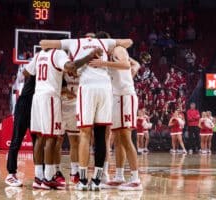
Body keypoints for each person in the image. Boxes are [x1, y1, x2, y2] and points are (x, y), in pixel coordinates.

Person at [40, 34, 133, 191]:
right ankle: (97, 180)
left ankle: (82, 180)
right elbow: (129, 41)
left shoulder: (74, 42)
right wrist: (115, 47)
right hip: (105, 88)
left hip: (88, 88)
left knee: (84, 134)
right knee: (101, 135)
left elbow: (43, 42)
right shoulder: (104, 42)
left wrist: (59, 48)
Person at [24, 47, 101, 190]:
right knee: (53, 139)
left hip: (50, 100)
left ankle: (46, 176)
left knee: (47, 138)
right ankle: (51, 175)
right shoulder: (60, 58)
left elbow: (25, 72)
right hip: (55, 101)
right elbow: (68, 71)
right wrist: (65, 90)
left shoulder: (41, 55)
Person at [89, 36, 142, 190]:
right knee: (118, 139)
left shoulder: (118, 49)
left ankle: (135, 179)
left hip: (126, 97)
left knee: (126, 137)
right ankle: (119, 176)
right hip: (116, 97)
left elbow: (126, 65)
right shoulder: (107, 55)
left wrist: (103, 63)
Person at [61, 71, 80, 184]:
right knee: (56, 141)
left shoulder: (82, 71)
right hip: (61, 106)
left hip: (75, 107)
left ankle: (74, 171)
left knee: (75, 142)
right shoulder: (62, 70)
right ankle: (54, 171)